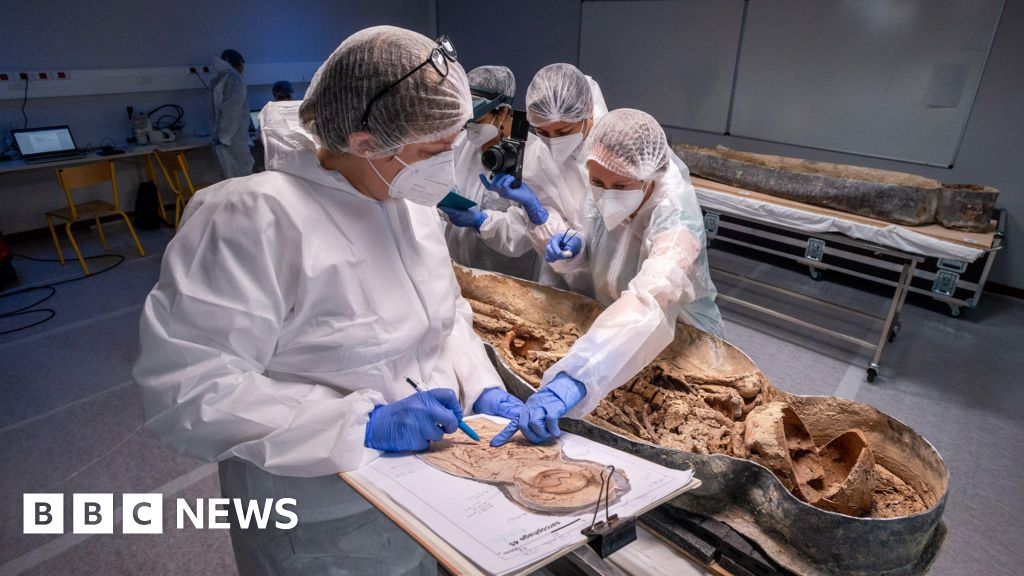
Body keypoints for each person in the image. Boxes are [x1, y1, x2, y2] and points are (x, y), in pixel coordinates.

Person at [134, 27, 536, 575]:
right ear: (367, 143)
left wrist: (482, 386)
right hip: (321, 518)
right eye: (433, 152)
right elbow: (190, 388)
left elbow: (447, 319)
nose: (446, 168)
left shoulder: (406, 199)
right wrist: (357, 425)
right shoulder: (250, 219)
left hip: (433, 494)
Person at [491, 109, 723, 445]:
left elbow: (651, 296)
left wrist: (577, 376)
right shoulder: (601, 184)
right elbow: (599, 246)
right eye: (597, 182)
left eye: (621, 186)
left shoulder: (676, 215)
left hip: (682, 342)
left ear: (650, 178)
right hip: (615, 337)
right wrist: (576, 245)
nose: (606, 193)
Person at [448, 63, 608, 287]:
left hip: (518, 274)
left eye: (562, 132)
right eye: (542, 132)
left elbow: (609, 231)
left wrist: (484, 221)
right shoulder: (541, 156)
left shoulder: (612, 153)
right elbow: (555, 226)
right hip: (565, 275)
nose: (552, 141)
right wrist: (540, 217)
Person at [439, 65, 538, 280]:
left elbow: (528, 234)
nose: (469, 128)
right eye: (465, 122)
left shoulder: (534, 157)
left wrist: (482, 220)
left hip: (508, 276)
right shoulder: (462, 143)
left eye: (477, 121)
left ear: (502, 112)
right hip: (460, 266)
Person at [211, 49, 254, 178]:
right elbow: (233, 110)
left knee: (228, 176)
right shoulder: (234, 79)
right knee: (241, 175)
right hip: (232, 137)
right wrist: (225, 136)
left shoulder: (218, 79)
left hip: (222, 136)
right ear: (240, 64)